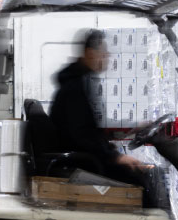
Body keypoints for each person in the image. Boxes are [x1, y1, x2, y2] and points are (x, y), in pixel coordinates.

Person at [50, 29, 149, 188]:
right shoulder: (75, 88)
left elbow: (90, 128)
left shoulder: (81, 82)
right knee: (139, 182)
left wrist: (129, 128)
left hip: (87, 158)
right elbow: (81, 136)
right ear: (90, 54)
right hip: (84, 163)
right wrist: (115, 157)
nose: (107, 57)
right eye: (103, 53)